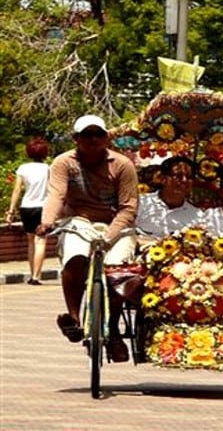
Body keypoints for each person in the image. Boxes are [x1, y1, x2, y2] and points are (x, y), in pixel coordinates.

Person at [36, 115, 138, 363]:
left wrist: (111, 235)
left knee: (118, 274)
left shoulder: (122, 165)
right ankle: (74, 317)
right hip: (79, 221)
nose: (93, 140)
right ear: (76, 139)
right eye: (87, 135)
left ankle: (113, 332)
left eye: (98, 134)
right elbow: (57, 195)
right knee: (75, 255)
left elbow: (128, 207)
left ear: (106, 138)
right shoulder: (63, 163)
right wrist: (48, 221)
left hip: (116, 224)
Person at [5, 137, 50, 285]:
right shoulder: (48, 169)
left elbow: (17, 189)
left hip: (27, 207)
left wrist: (11, 210)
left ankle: (32, 273)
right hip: (43, 207)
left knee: (31, 241)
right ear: (45, 153)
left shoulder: (23, 168)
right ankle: (36, 276)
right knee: (41, 240)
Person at [135, 156, 203, 240]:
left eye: (189, 177)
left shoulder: (196, 216)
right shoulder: (141, 203)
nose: (184, 180)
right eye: (178, 175)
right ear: (163, 179)